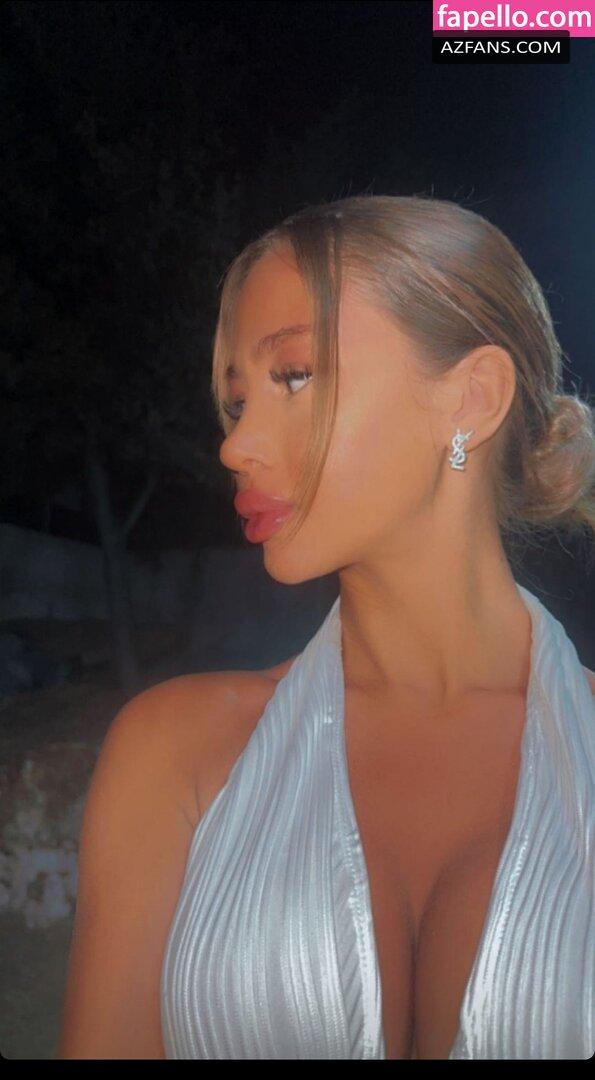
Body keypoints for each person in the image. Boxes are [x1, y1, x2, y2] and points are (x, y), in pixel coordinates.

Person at [56, 195, 595, 1060]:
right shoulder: (178, 754)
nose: (234, 446)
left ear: (470, 398)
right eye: (236, 402)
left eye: (294, 376)